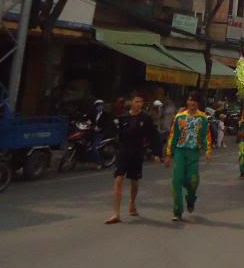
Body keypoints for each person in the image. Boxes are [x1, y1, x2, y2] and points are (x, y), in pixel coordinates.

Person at [105, 92, 162, 224]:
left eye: (141, 102)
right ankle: (116, 213)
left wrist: (157, 153)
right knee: (119, 179)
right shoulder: (123, 117)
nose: (139, 104)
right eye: (136, 101)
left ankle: (132, 203)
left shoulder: (146, 118)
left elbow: (153, 136)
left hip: (137, 151)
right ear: (131, 102)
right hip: (123, 151)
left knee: (134, 181)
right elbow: (115, 133)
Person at [164, 91, 212, 222]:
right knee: (177, 181)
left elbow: (206, 136)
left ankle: (190, 200)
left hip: (193, 153)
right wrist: (168, 154)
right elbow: (173, 136)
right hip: (180, 152)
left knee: (193, 180)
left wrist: (208, 151)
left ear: (198, 103)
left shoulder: (203, 118)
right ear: (187, 102)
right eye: (190, 100)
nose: (192, 103)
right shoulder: (180, 117)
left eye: (195, 101)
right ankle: (177, 211)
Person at [90, 99, 114, 168]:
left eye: (101, 105)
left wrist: (100, 128)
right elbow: (87, 120)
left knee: (94, 147)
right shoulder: (92, 114)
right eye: (98, 105)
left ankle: (99, 163)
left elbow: (108, 124)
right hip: (91, 132)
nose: (99, 107)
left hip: (101, 133)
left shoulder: (106, 115)